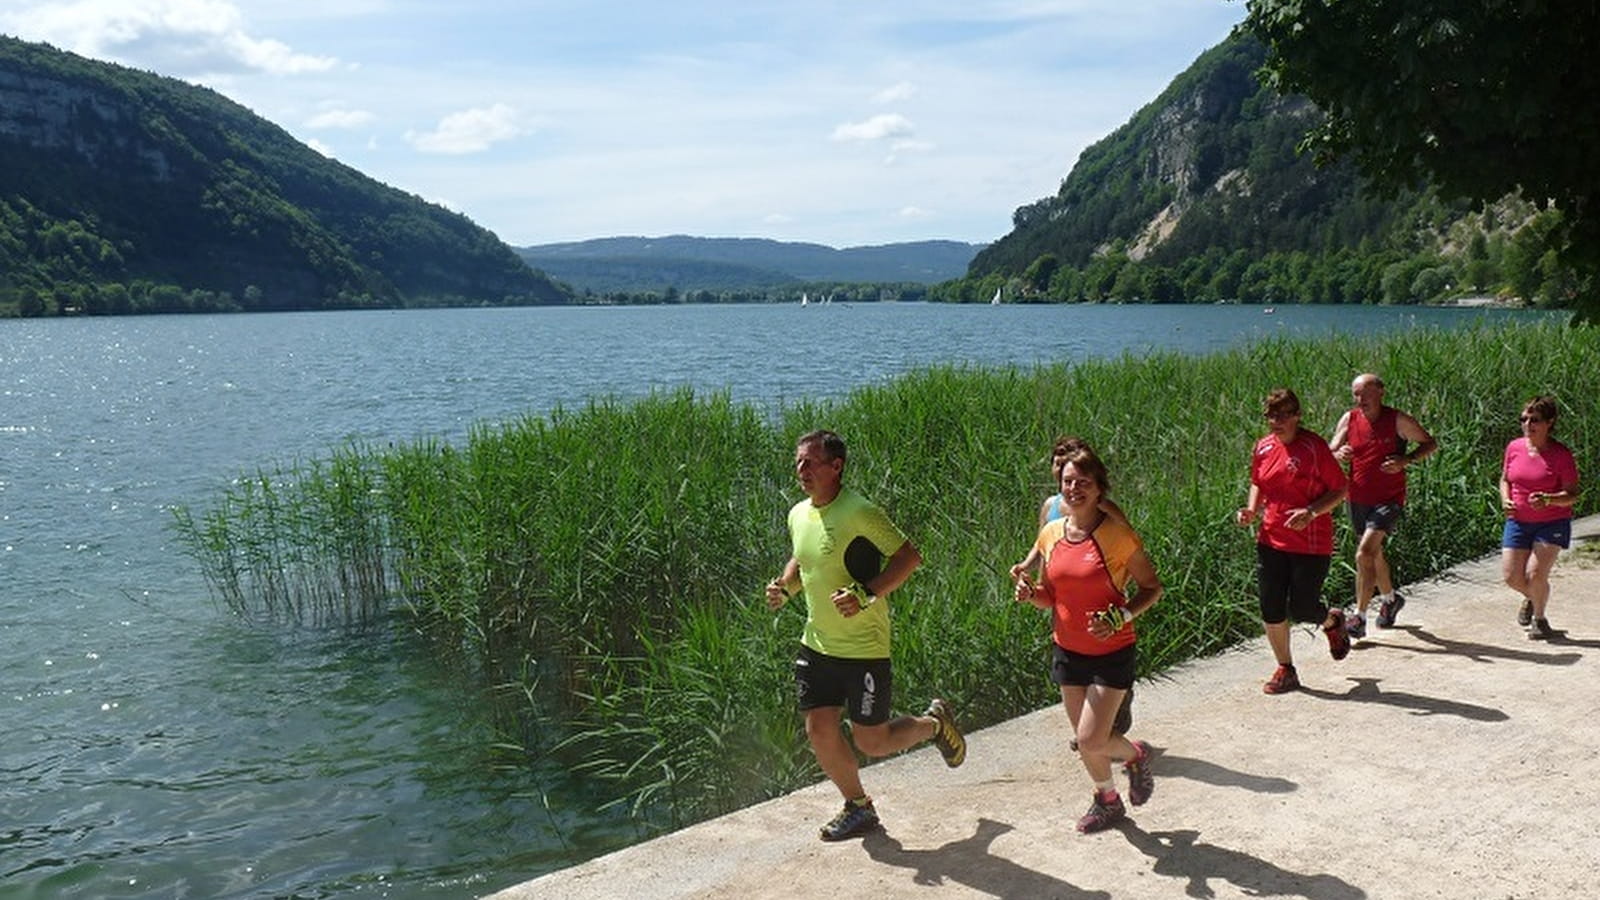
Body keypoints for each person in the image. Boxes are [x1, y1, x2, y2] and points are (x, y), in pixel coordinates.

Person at [765, 429, 966, 842]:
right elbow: (804, 558)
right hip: (817, 643)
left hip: (863, 648)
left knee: (871, 742)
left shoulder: (859, 511)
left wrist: (867, 593)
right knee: (819, 728)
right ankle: (858, 806)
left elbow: (910, 557)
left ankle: (934, 724)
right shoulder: (797, 513)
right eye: (798, 461)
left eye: (811, 462)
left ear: (836, 467)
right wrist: (785, 587)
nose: (801, 469)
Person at [1013, 442, 1162, 834]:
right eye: (1067, 481)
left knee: (1089, 739)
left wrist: (1121, 616)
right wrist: (1031, 595)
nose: (1073, 489)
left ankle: (1136, 755)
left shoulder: (1117, 536)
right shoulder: (1051, 532)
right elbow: (1051, 597)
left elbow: (1151, 588)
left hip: (1112, 651)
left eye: (1082, 482)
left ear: (1098, 488)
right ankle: (1107, 800)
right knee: (1087, 741)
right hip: (1067, 650)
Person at [1008, 435, 1135, 746]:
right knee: (1071, 649)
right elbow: (1042, 543)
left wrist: (1118, 591)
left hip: (1101, 597)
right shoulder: (1051, 507)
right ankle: (1090, 729)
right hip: (1061, 586)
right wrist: (1026, 569)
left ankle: (1111, 709)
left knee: (1099, 654)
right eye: (1056, 462)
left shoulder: (1105, 509)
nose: (1059, 469)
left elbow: (1126, 552)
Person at [1236, 388, 1350, 694]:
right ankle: (1286, 669)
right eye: (1271, 415)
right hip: (1270, 538)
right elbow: (1258, 483)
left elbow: (1340, 490)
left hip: (1310, 543)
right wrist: (1251, 509)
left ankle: (1332, 622)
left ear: (1297, 416)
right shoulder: (1262, 447)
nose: (1277, 421)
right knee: (1270, 607)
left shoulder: (1313, 448)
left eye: (1284, 414)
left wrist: (1311, 511)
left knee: (1302, 608)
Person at [1328, 373, 1438, 637]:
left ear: (1380, 392)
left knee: (1364, 553)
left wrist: (1406, 459)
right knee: (1374, 555)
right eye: (1356, 394)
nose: (1360, 399)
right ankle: (1390, 600)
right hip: (1357, 497)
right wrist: (1338, 453)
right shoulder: (1350, 419)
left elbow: (1430, 443)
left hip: (1389, 499)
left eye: (1365, 393)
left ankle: (1358, 616)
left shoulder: (1397, 420)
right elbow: (1330, 450)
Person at [1499, 396, 1581, 639]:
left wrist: (1549, 499)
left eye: (1534, 420)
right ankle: (1531, 597)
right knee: (1511, 577)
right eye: (1523, 419)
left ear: (1549, 422)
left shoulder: (1561, 455)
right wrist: (1505, 499)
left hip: (1552, 522)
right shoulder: (1514, 447)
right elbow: (1505, 478)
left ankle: (1540, 620)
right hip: (1518, 521)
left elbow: (1573, 495)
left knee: (1535, 574)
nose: (1527, 425)